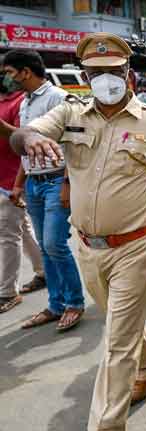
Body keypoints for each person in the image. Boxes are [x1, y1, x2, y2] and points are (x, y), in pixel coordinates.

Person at [11, 32, 146, 431]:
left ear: (128, 72)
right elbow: (24, 134)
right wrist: (28, 136)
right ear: (84, 75)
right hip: (87, 247)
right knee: (121, 323)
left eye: (113, 70)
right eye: (95, 72)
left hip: (135, 245)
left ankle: (106, 424)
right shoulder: (69, 114)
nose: (106, 79)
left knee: (116, 342)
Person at [2, 50, 85, 331]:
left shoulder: (59, 98)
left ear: (26, 72)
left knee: (54, 244)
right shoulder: (25, 102)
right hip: (34, 183)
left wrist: (67, 184)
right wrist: (18, 184)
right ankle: (55, 304)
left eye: (10, 73)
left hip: (56, 180)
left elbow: (75, 147)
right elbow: (26, 145)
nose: (7, 79)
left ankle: (74, 303)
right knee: (47, 249)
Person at [0, 68, 46, 313]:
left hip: (13, 177)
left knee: (8, 235)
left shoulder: (20, 102)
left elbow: (22, 139)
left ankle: (7, 292)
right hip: (3, 177)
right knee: (23, 229)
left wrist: (17, 183)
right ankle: (43, 271)